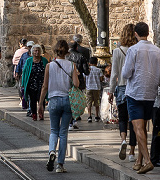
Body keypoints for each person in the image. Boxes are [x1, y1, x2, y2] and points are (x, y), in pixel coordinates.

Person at [121, 22, 160, 174]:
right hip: (150, 93)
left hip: (135, 92)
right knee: (143, 128)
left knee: (137, 128)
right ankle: (139, 161)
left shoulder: (133, 49)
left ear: (135, 34)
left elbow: (126, 73)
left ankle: (147, 160)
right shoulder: (157, 51)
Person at [39, 39, 80, 174]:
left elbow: (45, 86)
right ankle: (60, 165)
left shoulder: (49, 66)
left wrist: (40, 104)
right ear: (67, 51)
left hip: (54, 100)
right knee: (63, 133)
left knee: (53, 130)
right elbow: (76, 84)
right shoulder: (71, 65)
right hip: (67, 100)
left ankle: (51, 151)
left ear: (55, 50)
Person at [108, 24, 138, 162]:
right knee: (133, 120)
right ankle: (132, 152)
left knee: (122, 118)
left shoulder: (118, 51)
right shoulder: (136, 50)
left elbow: (114, 73)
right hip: (134, 87)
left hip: (121, 87)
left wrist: (110, 91)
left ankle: (123, 140)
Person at [21, 44, 48, 120]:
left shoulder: (44, 60)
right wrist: (23, 83)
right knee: (32, 100)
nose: (37, 52)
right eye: (35, 50)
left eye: (38, 50)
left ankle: (41, 114)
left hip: (42, 84)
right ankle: (34, 114)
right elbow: (25, 72)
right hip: (31, 84)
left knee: (41, 99)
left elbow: (47, 71)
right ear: (32, 51)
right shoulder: (29, 61)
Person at [85, 56, 103, 122]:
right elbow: (101, 79)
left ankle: (89, 116)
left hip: (89, 87)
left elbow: (84, 78)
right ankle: (96, 116)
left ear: (89, 63)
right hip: (96, 88)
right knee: (96, 102)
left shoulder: (87, 70)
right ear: (96, 63)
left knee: (89, 102)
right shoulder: (99, 70)